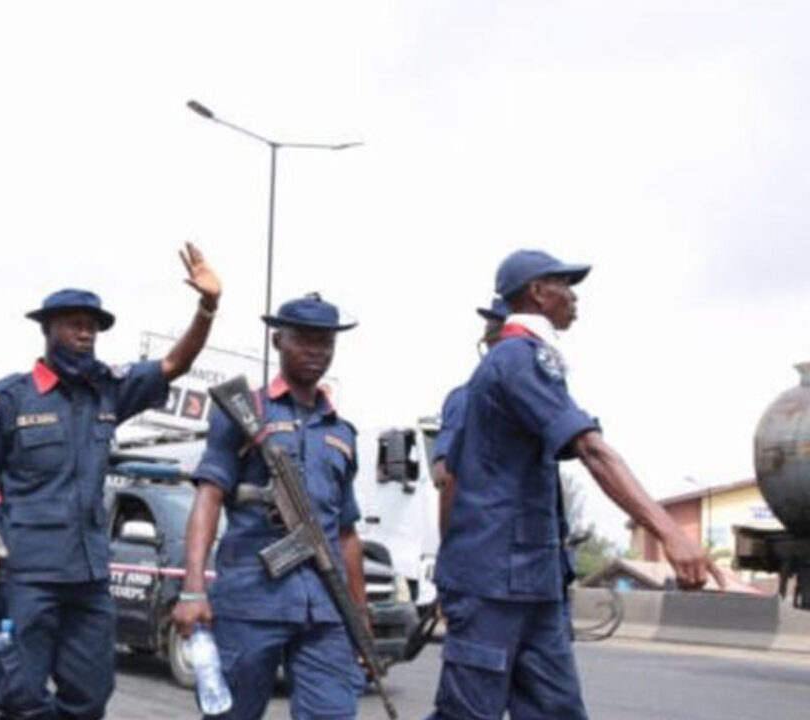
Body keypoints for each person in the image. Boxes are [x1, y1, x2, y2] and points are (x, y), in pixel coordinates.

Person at [427, 250, 724, 720]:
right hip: (492, 582)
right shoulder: (517, 360)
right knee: (468, 714)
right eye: (565, 284)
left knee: (556, 711)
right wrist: (669, 531)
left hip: (534, 581)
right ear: (538, 293)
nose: (574, 296)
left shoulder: (532, 359)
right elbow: (591, 449)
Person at [0, 242, 221, 720]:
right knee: (20, 696)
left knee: (91, 696)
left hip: (90, 578)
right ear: (48, 329)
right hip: (28, 575)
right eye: (75, 324)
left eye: (92, 326)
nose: (86, 333)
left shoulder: (107, 390)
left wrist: (207, 307)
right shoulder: (8, 399)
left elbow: (173, 365)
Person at [173, 293, 368, 720]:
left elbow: (347, 531)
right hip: (250, 599)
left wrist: (360, 615)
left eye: (326, 343)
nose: (317, 352)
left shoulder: (343, 433)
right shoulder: (244, 412)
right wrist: (192, 590)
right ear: (278, 340)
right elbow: (208, 498)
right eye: (305, 340)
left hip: (325, 607)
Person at [431, 297, 508, 538]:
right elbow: (445, 475)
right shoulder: (469, 399)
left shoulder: (533, 404)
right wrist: (450, 548)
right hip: (483, 546)